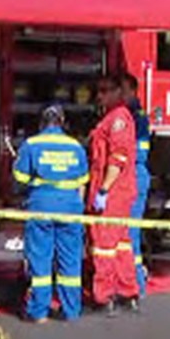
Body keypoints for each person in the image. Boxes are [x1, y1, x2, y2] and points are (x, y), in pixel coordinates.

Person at [13, 105, 88, 323]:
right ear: (62, 122)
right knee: (71, 262)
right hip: (71, 207)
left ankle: (39, 312)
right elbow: (82, 182)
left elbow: (19, 177)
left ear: (42, 122)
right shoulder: (76, 146)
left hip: (41, 206)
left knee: (40, 260)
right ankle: (71, 311)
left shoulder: (32, 144)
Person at [85, 77, 141, 315]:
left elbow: (118, 158)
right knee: (121, 243)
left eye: (106, 90)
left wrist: (104, 190)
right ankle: (128, 292)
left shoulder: (118, 118)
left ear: (119, 92)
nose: (100, 95)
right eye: (98, 90)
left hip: (113, 191)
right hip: (119, 191)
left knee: (103, 244)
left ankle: (104, 296)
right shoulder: (112, 118)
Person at [122, 73, 152, 299]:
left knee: (130, 234)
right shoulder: (125, 116)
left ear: (133, 91)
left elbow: (140, 152)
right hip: (127, 177)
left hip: (134, 176)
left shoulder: (138, 119)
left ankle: (136, 287)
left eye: (123, 90)